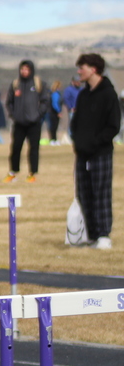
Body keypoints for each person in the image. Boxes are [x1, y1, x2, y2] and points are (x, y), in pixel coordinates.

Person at [70, 53, 120, 250]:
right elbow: (76, 123)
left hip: (101, 153)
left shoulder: (109, 95)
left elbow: (113, 126)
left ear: (94, 69)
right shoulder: (83, 95)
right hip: (82, 154)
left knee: (101, 193)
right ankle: (91, 235)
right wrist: (78, 141)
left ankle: (103, 235)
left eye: (82, 67)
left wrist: (95, 142)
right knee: (84, 193)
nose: (79, 71)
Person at [4, 60, 49, 183]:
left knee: (33, 148)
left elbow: (45, 101)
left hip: (34, 123)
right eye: (22, 69)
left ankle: (32, 173)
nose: (24, 71)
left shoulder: (38, 83)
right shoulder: (15, 84)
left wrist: (38, 114)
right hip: (19, 123)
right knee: (16, 148)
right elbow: (9, 102)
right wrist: (14, 115)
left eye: (27, 69)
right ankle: (13, 172)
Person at [63, 75, 82, 139]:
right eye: (77, 82)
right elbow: (66, 99)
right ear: (73, 82)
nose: (78, 83)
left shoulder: (81, 89)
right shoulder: (69, 90)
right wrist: (70, 107)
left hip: (80, 110)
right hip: (73, 110)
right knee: (72, 123)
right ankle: (70, 137)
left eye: (79, 82)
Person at [47, 81, 63, 145]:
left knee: (53, 127)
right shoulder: (55, 94)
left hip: (51, 112)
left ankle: (53, 139)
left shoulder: (51, 93)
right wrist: (58, 111)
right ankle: (53, 139)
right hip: (54, 113)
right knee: (54, 127)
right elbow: (55, 104)